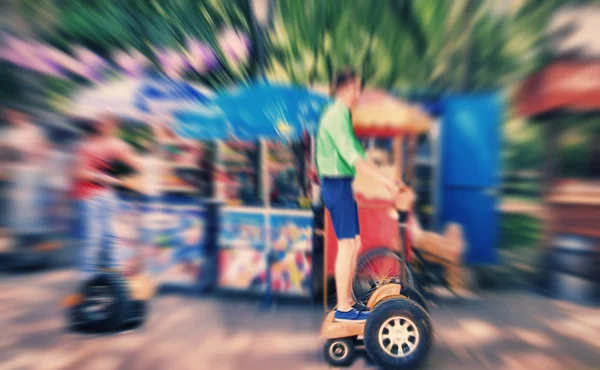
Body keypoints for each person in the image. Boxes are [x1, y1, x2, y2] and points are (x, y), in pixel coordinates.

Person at [316, 68, 404, 322]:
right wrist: (385, 181)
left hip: (342, 186)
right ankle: (343, 307)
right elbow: (354, 158)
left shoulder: (343, 115)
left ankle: (350, 303)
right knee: (347, 246)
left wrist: (386, 181)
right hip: (336, 185)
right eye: (357, 87)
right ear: (346, 88)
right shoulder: (335, 115)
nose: (359, 93)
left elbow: (360, 154)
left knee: (353, 244)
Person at [71, 114, 143, 278]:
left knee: (110, 238)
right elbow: (78, 173)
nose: (104, 125)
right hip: (88, 196)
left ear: (116, 124)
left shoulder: (116, 144)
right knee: (93, 240)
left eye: (110, 122)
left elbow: (137, 163)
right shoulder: (85, 145)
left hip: (106, 195)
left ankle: (112, 279)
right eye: (101, 121)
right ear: (96, 124)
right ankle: (87, 282)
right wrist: (106, 178)